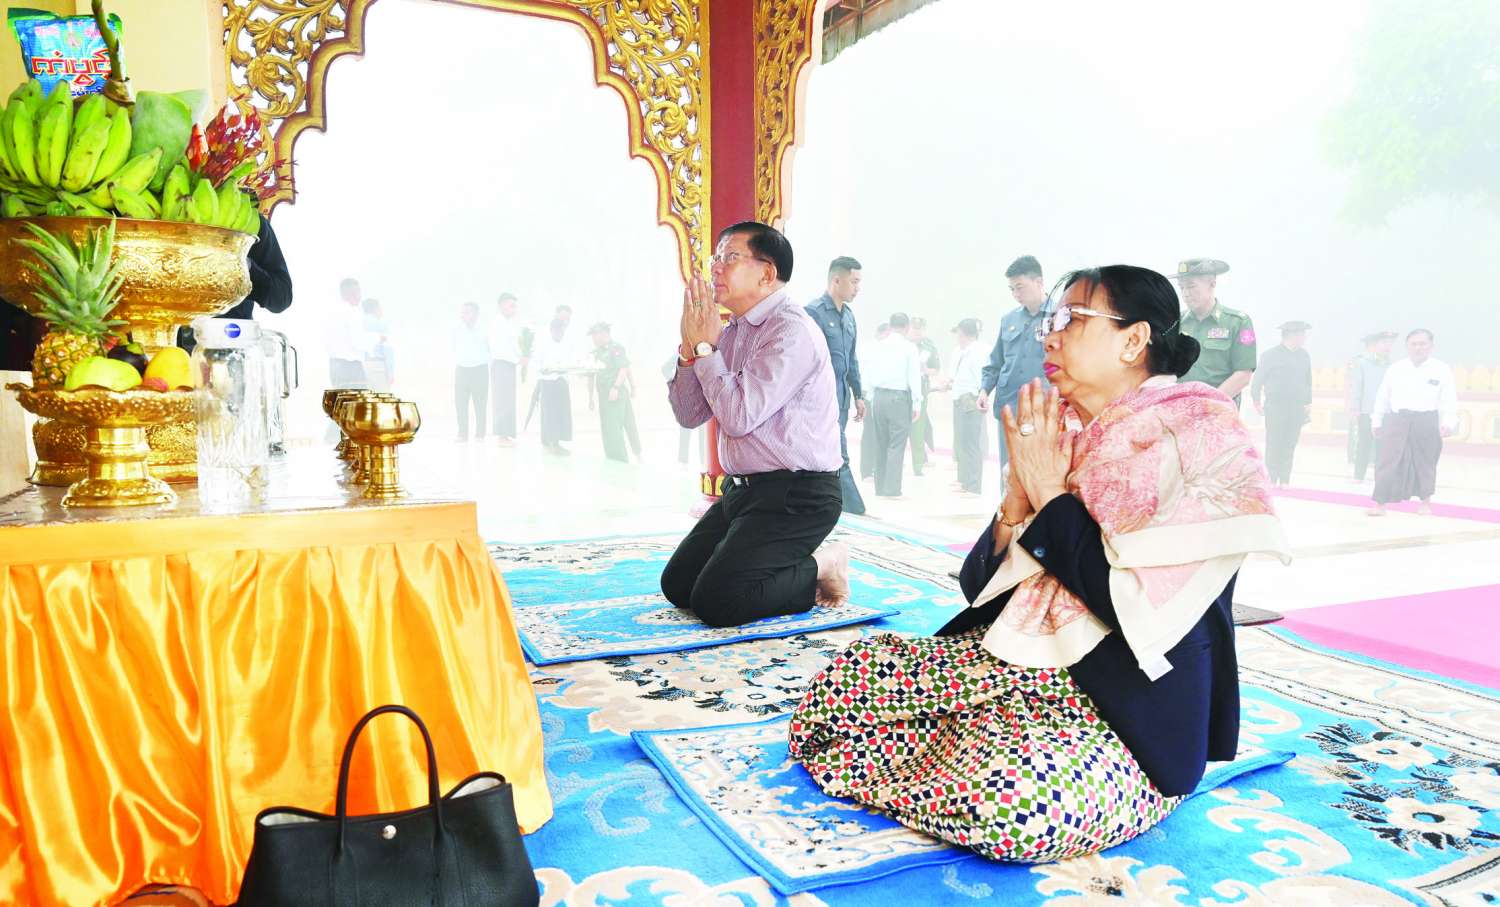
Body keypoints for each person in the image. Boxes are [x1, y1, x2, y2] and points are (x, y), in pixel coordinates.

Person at [789, 264, 1289, 863]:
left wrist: (1051, 496)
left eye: (1071, 320)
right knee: (843, 688)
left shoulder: (1199, 434)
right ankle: (966, 748)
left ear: (1134, 340)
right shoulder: (1065, 431)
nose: (1048, 336)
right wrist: (1015, 504)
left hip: (1121, 708)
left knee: (1013, 810)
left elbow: (1130, 610)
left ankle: (971, 757)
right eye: (1050, 321)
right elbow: (980, 589)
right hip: (1016, 672)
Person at [662, 221, 846, 628]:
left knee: (718, 602)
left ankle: (823, 564)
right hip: (743, 492)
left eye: (730, 257)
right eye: (716, 258)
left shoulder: (791, 331)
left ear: (767, 273)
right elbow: (689, 414)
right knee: (677, 585)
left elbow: (739, 417)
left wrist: (706, 348)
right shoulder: (732, 331)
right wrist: (691, 349)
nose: (716, 267)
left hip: (798, 496)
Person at [1369, 329, 1457, 516]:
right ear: (1407, 347)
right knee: (1387, 462)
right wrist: (1376, 420)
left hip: (1426, 421)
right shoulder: (1396, 369)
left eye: (1422, 343)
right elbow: (1383, 396)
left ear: (1431, 346)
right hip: (1397, 420)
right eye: (1414, 344)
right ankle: (1380, 504)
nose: (1418, 347)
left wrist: (1449, 422)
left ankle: (1425, 503)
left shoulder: (1441, 369)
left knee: (1426, 463)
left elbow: (1448, 399)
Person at [806, 256, 867, 515]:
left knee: (830, 453)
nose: (857, 288)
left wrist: (858, 394)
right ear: (836, 280)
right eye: (854, 282)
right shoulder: (813, 313)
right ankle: (854, 508)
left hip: (841, 399)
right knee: (836, 453)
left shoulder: (849, 317)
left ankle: (826, 505)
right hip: (819, 400)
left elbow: (851, 359)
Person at [979, 255, 1048, 469]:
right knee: (1007, 469)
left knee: (1037, 469)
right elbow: (996, 361)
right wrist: (984, 390)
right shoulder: (1009, 320)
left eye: (1020, 287)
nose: (1016, 294)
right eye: (1012, 289)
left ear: (1038, 282)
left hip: (1042, 408)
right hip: (1009, 404)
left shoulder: (1061, 317)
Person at [1173, 258, 1256, 405]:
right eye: (1182, 287)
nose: (1185, 293)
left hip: (1219, 410)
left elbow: (1243, 374)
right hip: (1181, 409)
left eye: (1191, 286)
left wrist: (1208, 404)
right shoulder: (1175, 323)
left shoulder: (1237, 322)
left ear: (1212, 284)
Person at [863, 312, 923, 498]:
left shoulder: (879, 346)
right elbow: (914, 376)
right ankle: (892, 489)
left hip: (878, 397)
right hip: (899, 399)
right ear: (906, 327)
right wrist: (917, 403)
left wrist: (871, 397)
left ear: (890, 326)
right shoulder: (909, 348)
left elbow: (869, 373)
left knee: (881, 443)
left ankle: (879, 487)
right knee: (896, 444)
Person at [1250, 321, 1313, 486]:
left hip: (1297, 406)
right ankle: (1271, 477)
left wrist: (1308, 402)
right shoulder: (1270, 355)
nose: (1304, 338)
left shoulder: (1304, 355)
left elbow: (1308, 381)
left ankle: (1285, 479)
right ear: (1290, 335)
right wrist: (1256, 400)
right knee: (1274, 441)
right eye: (1301, 334)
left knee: (1290, 442)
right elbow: (1258, 380)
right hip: (1275, 406)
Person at [1347, 330, 1396, 481]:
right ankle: (1358, 475)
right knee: (1364, 443)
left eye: (1390, 343)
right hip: (1367, 410)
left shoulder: (1393, 366)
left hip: (1387, 412)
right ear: (1374, 345)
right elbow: (1357, 387)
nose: (1388, 346)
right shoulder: (1362, 363)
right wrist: (1355, 408)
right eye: (1384, 343)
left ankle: (1380, 476)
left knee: (1384, 446)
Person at [589, 322, 641, 463]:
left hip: (615, 394)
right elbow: (591, 375)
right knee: (607, 428)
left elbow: (624, 368)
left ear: (603, 333)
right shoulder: (595, 353)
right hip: (603, 396)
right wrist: (590, 397)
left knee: (616, 427)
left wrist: (617, 387)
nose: (593, 339)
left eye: (594, 335)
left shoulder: (616, 348)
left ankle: (621, 460)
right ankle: (612, 458)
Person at [946, 317, 988, 495]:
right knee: (962, 442)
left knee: (971, 444)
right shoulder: (963, 351)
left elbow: (981, 379)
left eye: (959, 334)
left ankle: (973, 486)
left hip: (970, 401)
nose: (957, 338)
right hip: (960, 400)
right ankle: (964, 480)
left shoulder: (979, 351)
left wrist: (981, 398)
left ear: (965, 334)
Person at [533, 316, 575, 455]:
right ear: (551, 330)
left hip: (562, 381)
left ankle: (556, 443)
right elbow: (536, 363)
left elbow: (570, 362)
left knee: (561, 414)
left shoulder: (567, 344)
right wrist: (543, 370)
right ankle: (552, 444)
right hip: (548, 382)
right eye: (557, 331)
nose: (560, 334)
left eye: (562, 331)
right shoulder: (543, 344)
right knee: (550, 414)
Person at [451, 302, 489, 442]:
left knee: (480, 404)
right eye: (462, 312)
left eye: (467, 312)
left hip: (480, 370)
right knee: (460, 404)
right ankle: (462, 434)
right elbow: (453, 347)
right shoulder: (456, 329)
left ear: (475, 314)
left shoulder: (485, 329)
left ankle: (480, 434)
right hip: (462, 370)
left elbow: (490, 349)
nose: (463, 315)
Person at [322, 277, 370, 388]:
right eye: (355, 292)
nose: (358, 296)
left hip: (335, 366)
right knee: (358, 398)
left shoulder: (331, 313)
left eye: (358, 292)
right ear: (344, 294)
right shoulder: (352, 313)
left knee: (342, 397)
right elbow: (358, 342)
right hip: (351, 367)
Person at [908, 316, 941, 476]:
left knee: (918, 426)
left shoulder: (929, 346)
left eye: (920, 329)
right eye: (915, 328)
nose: (917, 332)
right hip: (902, 387)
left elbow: (936, 368)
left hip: (921, 387)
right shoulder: (902, 344)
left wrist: (926, 370)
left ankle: (918, 464)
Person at [489, 292, 522, 446]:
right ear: (501, 305)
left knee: (509, 401)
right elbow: (499, 348)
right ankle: (501, 436)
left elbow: (514, 346)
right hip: (501, 364)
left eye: (514, 306)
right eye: (511, 305)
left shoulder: (509, 324)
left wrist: (522, 356)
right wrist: (518, 359)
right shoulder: (497, 323)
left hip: (509, 365)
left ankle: (506, 435)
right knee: (502, 400)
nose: (513, 309)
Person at [859, 321, 891, 482]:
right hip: (869, 395)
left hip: (878, 395)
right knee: (870, 433)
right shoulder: (870, 348)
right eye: (888, 334)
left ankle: (875, 468)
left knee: (879, 434)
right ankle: (867, 470)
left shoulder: (883, 348)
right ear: (881, 333)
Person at [362, 298, 394, 391]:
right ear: (376, 309)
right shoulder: (380, 325)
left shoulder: (359, 324)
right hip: (378, 366)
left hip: (362, 367)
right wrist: (390, 374)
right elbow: (387, 350)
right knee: (381, 396)